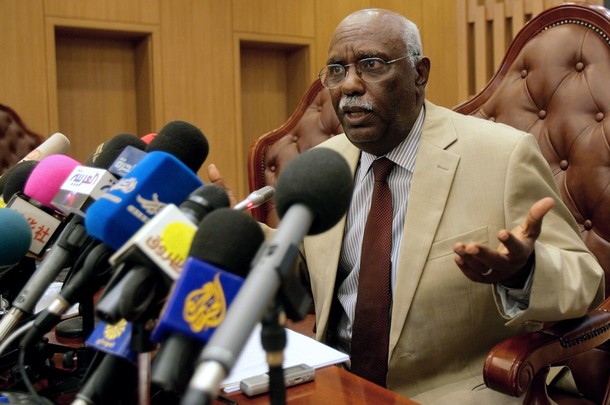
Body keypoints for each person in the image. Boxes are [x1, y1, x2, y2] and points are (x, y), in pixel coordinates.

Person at [209, 8, 604, 404]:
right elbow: (301, 274)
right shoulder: (325, 164)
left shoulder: (502, 155)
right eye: (335, 70)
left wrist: (523, 271)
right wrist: (233, 231)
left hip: (460, 388)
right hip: (335, 386)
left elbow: (585, 282)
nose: (349, 86)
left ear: (420, 73)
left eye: (371, 65)